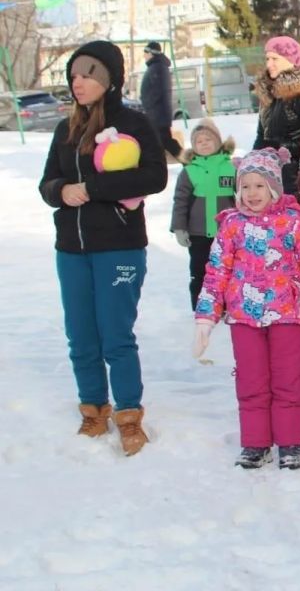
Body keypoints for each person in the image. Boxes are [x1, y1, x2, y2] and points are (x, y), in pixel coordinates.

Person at [39, 40, 168, 456]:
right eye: (74, 75)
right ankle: (93, 410)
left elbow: (154, 176)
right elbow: (47, 184)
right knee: (81, 335)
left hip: (119, 246)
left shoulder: (134, 123)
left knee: (115, 335)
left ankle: (129, 415)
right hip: (71, 248)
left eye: (87, 75)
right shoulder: (66, 129)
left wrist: (91, 189)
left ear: (108, 80)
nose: (78, 83)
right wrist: (61, 190)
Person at [193, 147, 300, 470]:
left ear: (273, 187)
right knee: (250, 380)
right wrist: (205, 318)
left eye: (259, 186)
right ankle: (256, 443)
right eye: (245, 186)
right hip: (244, 317)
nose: (252, 193)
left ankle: (289, 442)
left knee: (288, 380)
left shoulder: (295, 222)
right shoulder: (231, 225)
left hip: (289, 314)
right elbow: (216, 272)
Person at [253, 35, 300, 196]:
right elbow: (261, 137)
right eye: (267, 59)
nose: (269, 64)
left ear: (291, 60)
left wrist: (283, 149)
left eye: (274, 58)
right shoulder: (269, 93)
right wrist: (253, 162)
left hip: (297, 180)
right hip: (269, 178)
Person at [171, 119, 236, 310]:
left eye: (209, 139)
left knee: (229, 270)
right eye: (199, 141)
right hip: (198, 234)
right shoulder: (189, 171)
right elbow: (180, 202)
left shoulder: (231, 168)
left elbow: (242, 199)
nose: (204, 143)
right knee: (200, 271)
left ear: (218, 142)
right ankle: (202, 306)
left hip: (227, 234)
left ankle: (229, 305)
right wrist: (179, 228)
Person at [139, 41, 183, 161]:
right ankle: (188, 161)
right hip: (158, 114)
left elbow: (156, 92)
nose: (144, 55)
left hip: (157, 115)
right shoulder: (158, 67)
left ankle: (190, 162)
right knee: (161, 143)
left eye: (145, 52)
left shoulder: (157, 68)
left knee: (165, 142)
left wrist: (147, 106)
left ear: (151, 53)